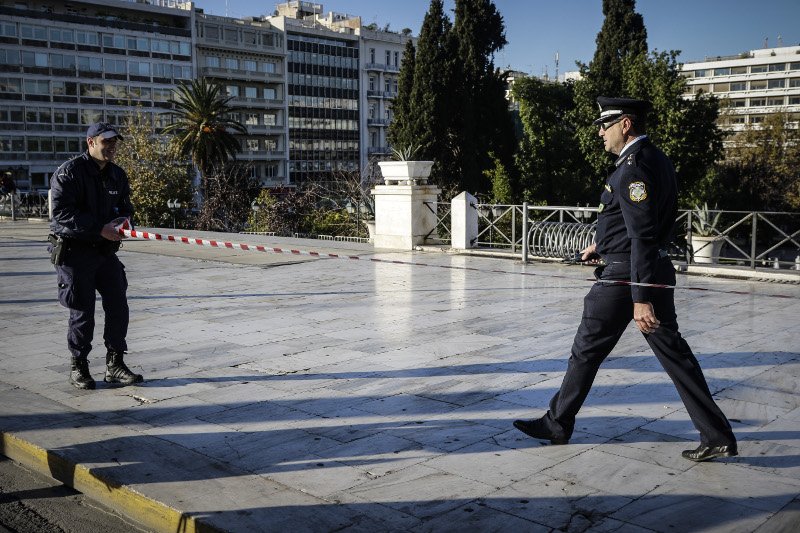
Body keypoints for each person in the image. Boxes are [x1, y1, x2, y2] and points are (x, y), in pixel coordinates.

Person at [513, 97, 737, 462]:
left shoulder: (631, 168)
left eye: (606, 124)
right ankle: (717, 434)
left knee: (585, 351)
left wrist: (640, 296)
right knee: (675, 356)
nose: (600, 132)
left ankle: (557, 423)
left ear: (626, 124)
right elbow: (640, 220)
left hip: (626, 278)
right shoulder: (655, 158)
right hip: (649, 269)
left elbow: (643, 232)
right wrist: (601, 243)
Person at [49, 122, 143, 390]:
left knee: (118, 305)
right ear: (91, 143)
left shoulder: (117, 175)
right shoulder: (69, 173)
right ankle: (79, 366)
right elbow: (62, 214)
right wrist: (100, 228)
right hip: (74, 252)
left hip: (104, 252)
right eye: (106, 142)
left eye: (115, 142)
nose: (112, 147)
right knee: (82, 311)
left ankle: (115, 365)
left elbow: (125, 208)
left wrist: (125, 225)